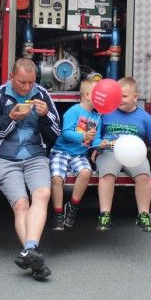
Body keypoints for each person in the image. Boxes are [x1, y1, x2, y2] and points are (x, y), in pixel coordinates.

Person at [0, 58, 60, 281]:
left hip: (35, 155)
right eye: (22, 82)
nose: (27, 88)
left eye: (31, 83)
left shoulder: (42, 94)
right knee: (21, 204)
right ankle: (34, 259)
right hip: (5, 158)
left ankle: (30, 249)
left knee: (42, 194)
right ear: (11, 77)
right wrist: (11, 119)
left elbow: (55, 133)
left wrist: (45, 116)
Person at [93, 77, 151, 233]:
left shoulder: (144, 117)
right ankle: (105, 214)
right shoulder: (105, 113)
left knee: (144, 177)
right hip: (110, 151)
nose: (120, 99)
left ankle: (143, 215)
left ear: (135, 97)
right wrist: (97, 145)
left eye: (124, 96)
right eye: (118, 96)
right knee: (107, 176)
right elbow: (95, 135)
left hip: (134, 154)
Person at [49, 79, 100, 231]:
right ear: (88, 95)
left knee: (86, 173)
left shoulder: (97, 117)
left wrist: (99, 145)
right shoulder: (74, 111)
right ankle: (58, 213)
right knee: (57, 178)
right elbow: (66, 133)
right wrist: (83, 136)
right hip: (61, 151)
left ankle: (72, 206)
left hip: (79, 155)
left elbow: (96, 138)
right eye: (98, 94)